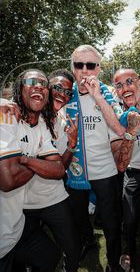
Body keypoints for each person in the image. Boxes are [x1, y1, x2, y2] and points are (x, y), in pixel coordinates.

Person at [66, 44, 125, 272]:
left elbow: (120, 129)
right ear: (72, 68)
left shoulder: (107, 93)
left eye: (90, 65)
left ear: (99, 69)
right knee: (78, 217)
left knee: (111, 222)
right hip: (74, 170)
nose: (85, 70)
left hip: (105, 171)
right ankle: (88, 242)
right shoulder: (64, 93)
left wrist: (97, 96)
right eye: (79, 65)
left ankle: (113, 261)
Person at [0, 69, 65, 272]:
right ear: (20, 89)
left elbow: (59, 169)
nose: (39, 86)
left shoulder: (42, 127)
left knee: (49, 256)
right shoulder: (6, 115)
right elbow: (8, 180)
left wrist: (26, 160)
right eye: (31, 81)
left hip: (15, 229)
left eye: (43, 84)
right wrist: (39, 162)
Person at [23, 69, 80, 272]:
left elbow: (61, 168)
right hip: (23, 202)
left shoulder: (64, 123)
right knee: (31, 255)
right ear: (46, 88)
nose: (62, 95)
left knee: (72, 248)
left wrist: (72, 145)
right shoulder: (21, 116)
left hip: (54, 197)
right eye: (57, 88)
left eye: (68, 92)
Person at [111, 68, 140, 271]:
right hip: (133, 170)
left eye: (129, 82)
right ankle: (129, 250)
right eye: (119, 85)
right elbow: (120, 163)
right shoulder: (114, 113)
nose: (125, 88)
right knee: (130, 217)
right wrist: (131, 130)